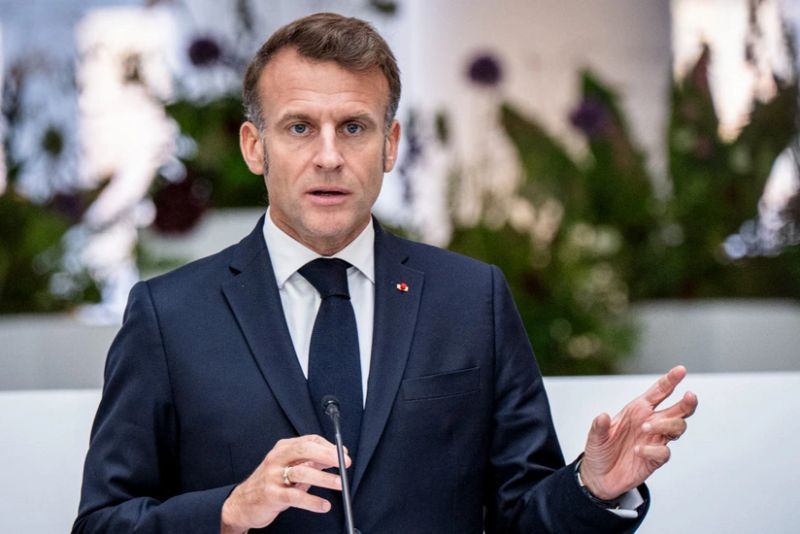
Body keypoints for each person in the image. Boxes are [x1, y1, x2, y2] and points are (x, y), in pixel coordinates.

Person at [73, 12, 697, 534]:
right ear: (254, 147)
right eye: (299, 127)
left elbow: (521, 513)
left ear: (391, 144)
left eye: (354, 128)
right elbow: (102, 522)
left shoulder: (471, 298)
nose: (329, 156)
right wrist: (228, 511)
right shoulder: (169, 315)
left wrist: (592, 488)